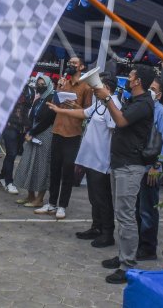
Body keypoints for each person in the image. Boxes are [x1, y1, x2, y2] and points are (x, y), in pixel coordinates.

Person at [93, 65, 156, 285]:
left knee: (126, 216)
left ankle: (127, 264)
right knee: (123, 214)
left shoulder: (144, 103)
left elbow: (121, 121)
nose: (127, 78)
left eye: (130, 75)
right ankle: (123, 256)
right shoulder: (135, 100)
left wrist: (108, 98)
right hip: (122, 163)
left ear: (138, 80)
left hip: (130, 165)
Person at [49, 74, 121, 247]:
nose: (94, 91)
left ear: (107, 89)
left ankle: (107, 233)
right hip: (90, 158)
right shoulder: (99, 103)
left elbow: (115, 132)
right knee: (94, 197)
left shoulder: (114, 105)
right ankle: (96, 227)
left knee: (102, 198)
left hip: (101, 160)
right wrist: (60, 111)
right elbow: (83, 112)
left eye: (97, 87)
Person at [37, 56, 93, 220]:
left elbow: (88, 112)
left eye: (74, 63)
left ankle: (62, 205)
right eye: (69, 63)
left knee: (67, 171)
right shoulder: (64, 83)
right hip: (57, 131)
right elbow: (54, 105)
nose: (71, 65)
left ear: (81, 67)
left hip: (73, 134)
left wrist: (76, 106)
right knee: (54, 169)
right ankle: (52, 202)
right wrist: (58, 89)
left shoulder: (86, 87)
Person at [135, 78, 163, 261]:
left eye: (153, 89)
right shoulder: (143, 108)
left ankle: (148, 248)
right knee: (137, 208)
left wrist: (157, 166)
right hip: (138, 165)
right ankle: (138, 243)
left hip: (152, 167)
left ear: (159, 95)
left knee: (148, 209)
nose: (149, 91)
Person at [13, 74, 56, 208]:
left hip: (44, 135)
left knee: (41, 167)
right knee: (28, 164)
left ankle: (39, 198)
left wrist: (32, 132)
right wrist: (29, 131)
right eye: (38, 83)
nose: (39, 86)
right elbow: (31, 117)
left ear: (48, 85)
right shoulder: (38, 100)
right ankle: (30, 195)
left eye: (43, 83)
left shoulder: (52, 99)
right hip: (32, 135)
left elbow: (46, 120)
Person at [0, 82, 33, 194]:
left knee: (12, 154)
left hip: (23, 127)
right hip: (10, 126)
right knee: (11, 153)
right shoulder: (8, 87)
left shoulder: (30, 90)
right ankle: (9, 182)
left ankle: (2, 177)